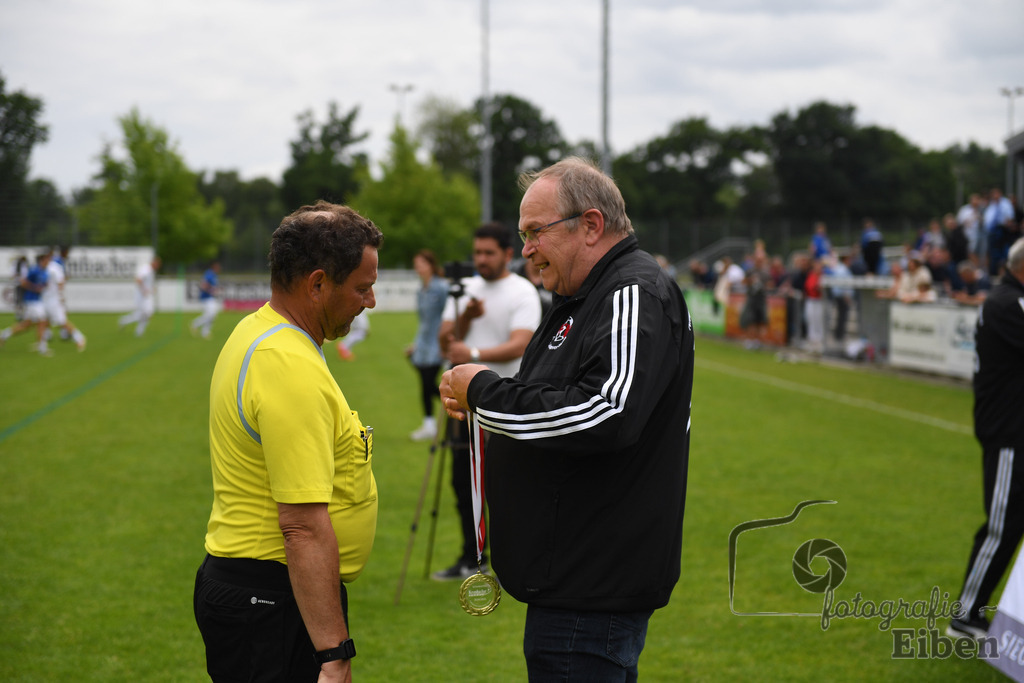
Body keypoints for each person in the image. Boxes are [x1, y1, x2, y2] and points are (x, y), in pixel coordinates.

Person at [439, 157, 694, 680]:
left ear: (592, 225)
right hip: (575, 579)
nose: (526, 249)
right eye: (523, 234)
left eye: (536, 232)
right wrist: (487, 392)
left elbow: (607, 412)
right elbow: (557, 395)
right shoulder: (585, 295)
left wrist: (484, 392)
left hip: (591, 587)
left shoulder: (631, 291)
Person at [193, 201, 382, 683]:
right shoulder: (286, 362)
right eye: (362, 287)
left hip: (266, 592)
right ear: (317, 283)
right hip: (274, 597)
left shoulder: (263, 331)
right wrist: (334, 653)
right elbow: (301, 526)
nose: (371, 301)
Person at [432, 222, 542, 581]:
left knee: (506, 485)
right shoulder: (464, 290)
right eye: (477, 252)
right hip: (463, 407)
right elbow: (445, 341)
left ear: (508, 254)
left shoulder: (522, 291)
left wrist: (474, 352)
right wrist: (466, 316)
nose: (480, 259)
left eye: (488, 253)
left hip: (507, 400)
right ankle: (471, 556)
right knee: (463, 484)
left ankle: (515, 561)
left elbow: (521, 343)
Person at [948, 237, 1024, 641]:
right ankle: (966, 614)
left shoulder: (1006, 299)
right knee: (1003, 526)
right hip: (1010, 432)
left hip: (1013, 427)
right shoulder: (1008, 304)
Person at [407, 249, 449, 442]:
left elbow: (448, 317)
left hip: (437, 345)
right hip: (423, 344)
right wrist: (415, 344)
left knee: (427, 383)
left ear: (431, 265)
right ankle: (430, 423)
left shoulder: (441, 288)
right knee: (424, 383)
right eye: (416, 264)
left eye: (421, 263)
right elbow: (423, 321)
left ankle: (454, 405)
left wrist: (444, 343)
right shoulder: (420, 290)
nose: (418, 268)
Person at [0, 251, 52, 355]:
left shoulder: (45, 272)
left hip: (37, 300)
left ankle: (3, 335)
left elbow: (43, 285)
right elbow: (23, 282)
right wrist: (34, 287)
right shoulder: (34, 270)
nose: (49, 261)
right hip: (31, 300)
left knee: (26, 325)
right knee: (43, 321)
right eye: (47, 259)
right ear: (42, 260)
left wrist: (43, 287)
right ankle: (42, 348)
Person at [43, 246, 87, 351]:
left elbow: (60, 281)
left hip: (53, 299)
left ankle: (79, 337)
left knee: (60, 320)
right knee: (42, 319)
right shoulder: (48, 266)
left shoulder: (54, 266)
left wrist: (60, 296)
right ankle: (43, 342)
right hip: (46, 298)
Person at [118, 255, 161, 336]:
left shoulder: (151, 270)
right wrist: (144, 290)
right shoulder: (146, 269)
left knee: (147, 314)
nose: (158, 266)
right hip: (141, 296)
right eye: (157, 264)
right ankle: (125, 321)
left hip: (146, 296)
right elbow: (138, 280)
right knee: (142, 314)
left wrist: (151, 289)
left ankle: (137, 331)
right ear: (154, 262)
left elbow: (146, 283)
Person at [189, 260, 222, 339]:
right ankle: (195, 324)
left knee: (212, 315)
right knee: (211, 314)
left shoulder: (214, 275)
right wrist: (211, 290)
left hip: (210, 297)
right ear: (214, 266)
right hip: (206, 298)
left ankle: (205, 332)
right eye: (218, 266)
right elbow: (203, 285)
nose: (220, 268)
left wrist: (215, 290)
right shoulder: (209, 274)